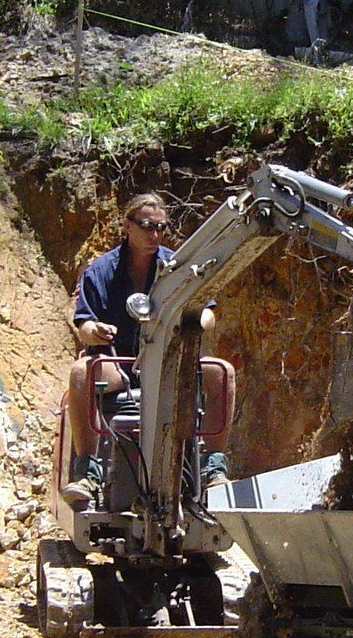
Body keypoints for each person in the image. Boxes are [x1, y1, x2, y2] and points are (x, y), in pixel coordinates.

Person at [61, 193, 236, 505]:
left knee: (222, 373)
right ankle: (88, 471)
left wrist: (193, 322)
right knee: (81, 373)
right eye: (146, 226)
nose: (154, 235)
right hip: (120, 361)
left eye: (160, 227)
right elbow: (84, 325)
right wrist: (97, 332)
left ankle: (213, 467)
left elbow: (208, 312)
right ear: (128, 226)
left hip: (167, 360)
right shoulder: (101, 271)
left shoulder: (178, 268)